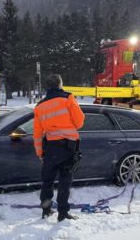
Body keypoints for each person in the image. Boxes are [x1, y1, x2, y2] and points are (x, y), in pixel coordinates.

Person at [33, 74, 85, 222]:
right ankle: (63, 213)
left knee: (47, 181)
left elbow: (37, 134)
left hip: (50, 149)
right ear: (60, 84)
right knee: (65, 181)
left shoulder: (39, 106)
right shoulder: (68, 98)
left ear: (48, 87)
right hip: (68, 148)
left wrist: (39, 152)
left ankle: (46, 210)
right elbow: (80, 122)